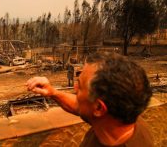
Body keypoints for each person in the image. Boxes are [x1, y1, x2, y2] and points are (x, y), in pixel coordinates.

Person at [26, 52, 154, 146]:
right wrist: (52, 92)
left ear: (98, 108)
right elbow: (80, 105)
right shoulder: (124, 117)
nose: (75, 88)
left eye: (80, 86)